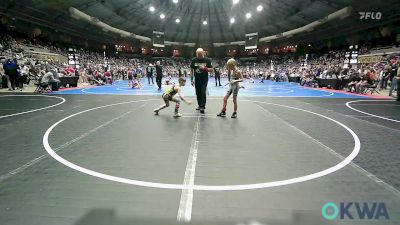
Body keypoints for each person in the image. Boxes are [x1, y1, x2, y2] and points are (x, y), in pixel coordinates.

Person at [190, 48, 213, 114]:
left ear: (203, 53)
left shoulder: (207, 60)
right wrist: (192, 79)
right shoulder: (194, 60)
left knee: (203, 92)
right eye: (197, 55)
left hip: (204, 79)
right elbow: (191, 70)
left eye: (200, 54)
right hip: (197, 79)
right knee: (198, 93)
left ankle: (202, 106)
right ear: (196, 54)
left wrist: (204, 68)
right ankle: (199, 105)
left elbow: (211, 70)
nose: (199, 56)